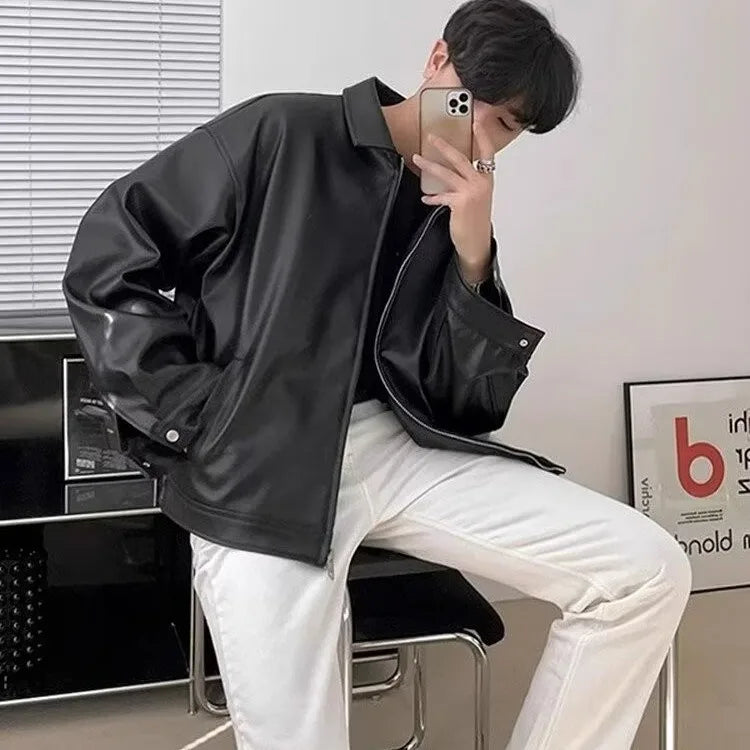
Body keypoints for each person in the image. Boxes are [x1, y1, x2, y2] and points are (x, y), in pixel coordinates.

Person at [62, 1, 691, 747]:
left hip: (399, 451)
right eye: (473, 105)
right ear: (437, 61)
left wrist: (473, 252)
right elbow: (109, 257)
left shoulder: (454, 205)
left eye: (507, 128)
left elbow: (468, 403)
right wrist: (198, 414)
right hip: (259, 461)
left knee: (645, 571)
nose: (481, 136)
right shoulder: (284, 131)